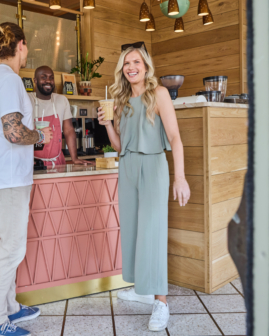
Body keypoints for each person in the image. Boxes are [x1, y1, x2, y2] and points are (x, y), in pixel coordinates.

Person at [97, 43, 191, 331]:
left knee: (152, 230)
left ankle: (161, 302)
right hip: (127, 168)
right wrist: (108, 124)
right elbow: (118, 146)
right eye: (126, 63)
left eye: (136, 61)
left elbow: (174, 138)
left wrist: (180, 177)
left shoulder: (158, 94)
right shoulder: (121, 99)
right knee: (135, 230)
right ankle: (145, 290)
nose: (131, 67)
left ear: (146, 66)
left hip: (153, 166)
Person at [0, 22, 53, 336]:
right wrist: (40, 135)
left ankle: (10, 308)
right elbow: (14, 131)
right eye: (26, 48)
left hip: (5, 177)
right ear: (20, 45)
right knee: (12, 250)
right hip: (9, 179)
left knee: (10, 246)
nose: (26, 53)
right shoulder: (8, 81)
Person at [28, 65, 92, 166]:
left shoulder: (62, 100)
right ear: (35, 80)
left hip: (57, 163)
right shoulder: (27, 99)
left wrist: (74, 158)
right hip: (33, 164)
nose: (48, 81)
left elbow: (69, 130)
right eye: (43, 77)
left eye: (51, 77)